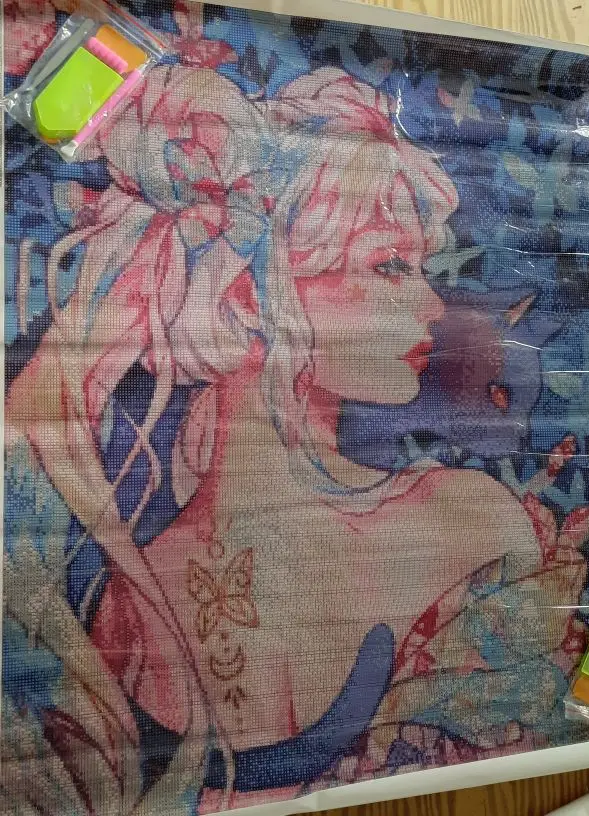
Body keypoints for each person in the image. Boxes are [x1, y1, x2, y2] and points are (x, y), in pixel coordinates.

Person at [6, 63, 541, 804]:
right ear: (248, 296)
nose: (431, 306)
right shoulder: (113, 603)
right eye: (390, 266)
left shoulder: (466, 523)